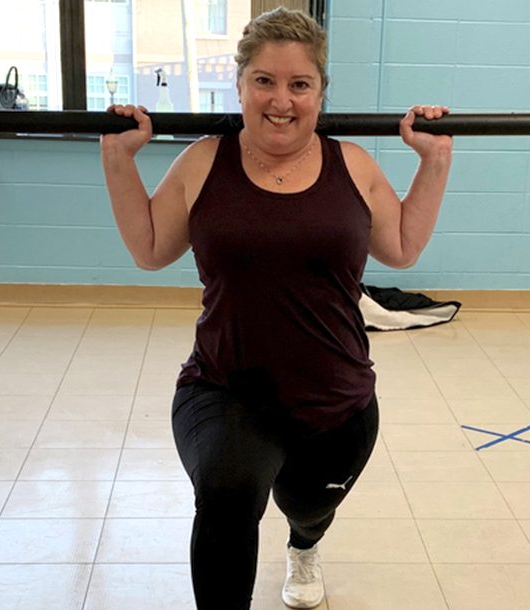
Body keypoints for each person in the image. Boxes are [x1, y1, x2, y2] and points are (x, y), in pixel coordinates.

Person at [99, 8, 452, 609]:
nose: (280, 101)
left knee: (310, 505)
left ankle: (304, 543)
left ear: (320, 92)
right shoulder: (205, 160)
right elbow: (150, 249)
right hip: (226, 387)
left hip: (335, 395)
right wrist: (118, 159)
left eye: (299, 84)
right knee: (228, 492)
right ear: (238, 86)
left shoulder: (353, 165)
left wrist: (434, 161)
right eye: (263, 80)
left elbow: (402, 248)